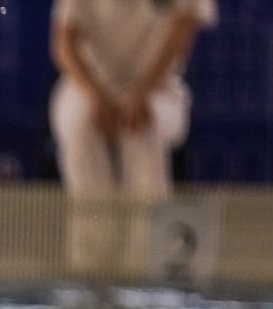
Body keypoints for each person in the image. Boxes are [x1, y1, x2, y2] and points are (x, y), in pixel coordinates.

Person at [50, 0, 216, 203]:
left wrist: (141, 93)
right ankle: (93, 233)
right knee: (81, 127)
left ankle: (147, 232)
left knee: (142, 130)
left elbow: (179, 36)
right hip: (87, 87)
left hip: (158, 88)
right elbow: (65, 43)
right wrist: (95, 96)